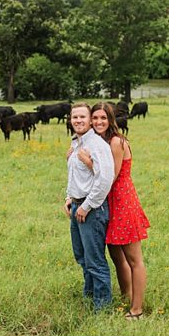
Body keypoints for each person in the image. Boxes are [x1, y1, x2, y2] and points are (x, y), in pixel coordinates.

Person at [82, 102, 150, 319]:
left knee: (133, 259)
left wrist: (89, 163)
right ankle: (125, 295)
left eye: (103, 118)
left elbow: (110, 175)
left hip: (122, 201)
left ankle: (137, 309)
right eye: (95, 118)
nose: (99, 122)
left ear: (111, 120)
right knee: (116, 255)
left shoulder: (115, 142)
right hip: (108, 202)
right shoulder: (99, 141)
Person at [64, 103, 115, 311]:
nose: (78, 120)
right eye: (74, 117)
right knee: (82, 256)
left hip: (92, 209)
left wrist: (86, 206)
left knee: (95, 260)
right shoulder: (76, 143)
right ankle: (90, 296)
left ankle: (102, 308)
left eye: (82, 117)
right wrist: (69, 197)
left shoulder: (97, 145)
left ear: (89, 119)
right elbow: (75, 175)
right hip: (77, 206)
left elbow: (105, 179)